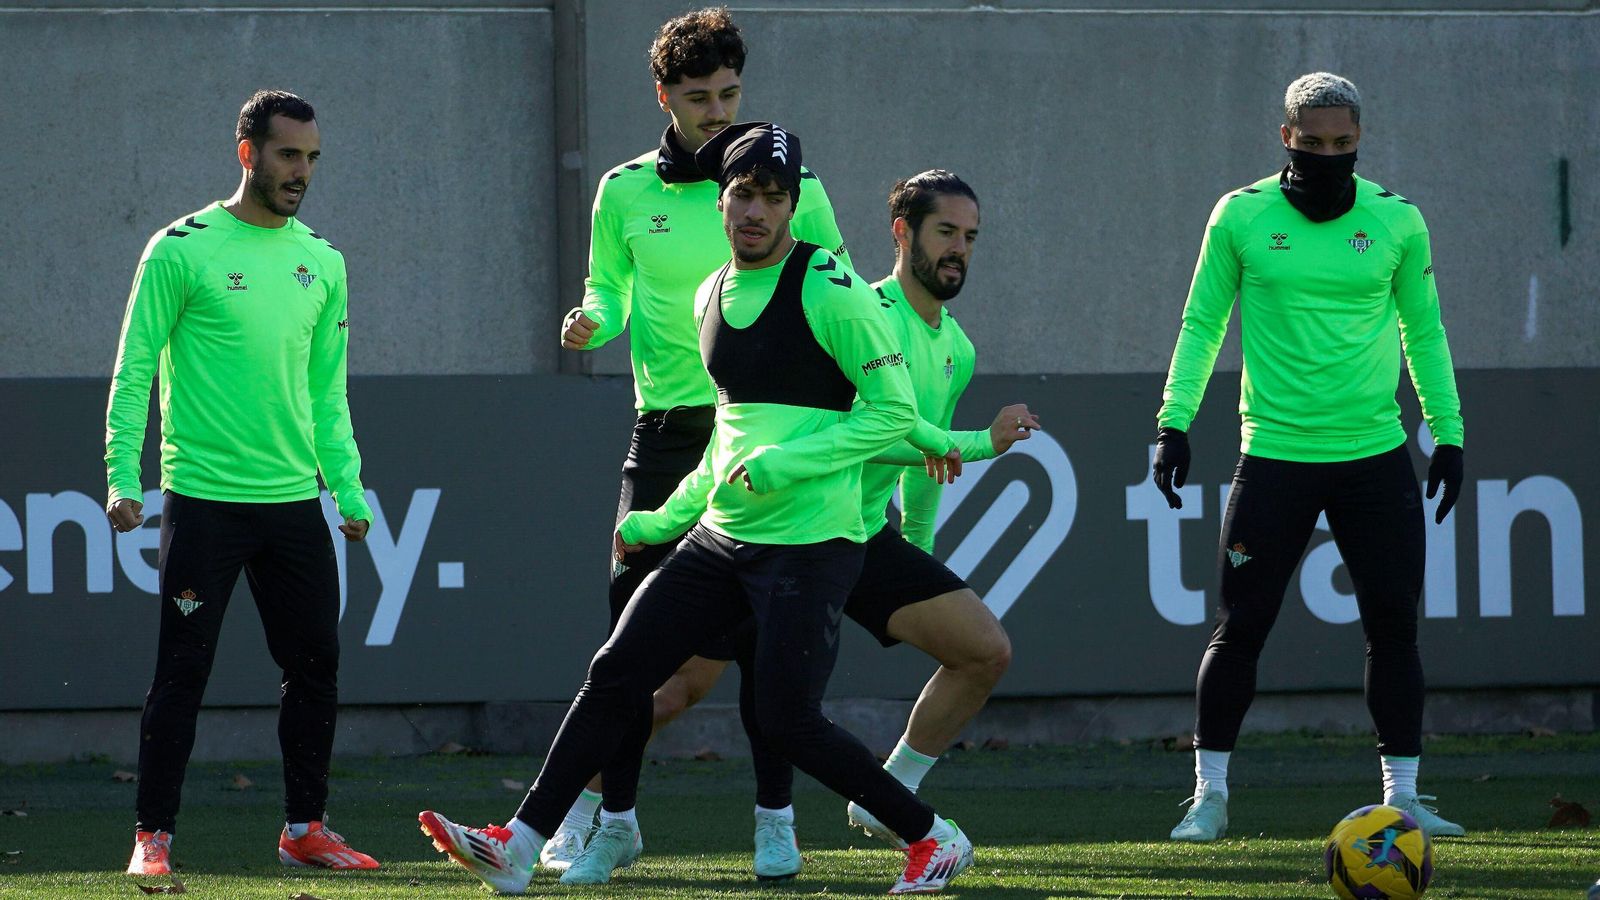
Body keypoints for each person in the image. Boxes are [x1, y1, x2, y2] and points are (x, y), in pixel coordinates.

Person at [419, 122, 974, 896]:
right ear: (721, 199)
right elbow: (725, 441)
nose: (757, 210)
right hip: (722, 537)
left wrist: (784, 465)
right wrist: (658, 523)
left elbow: (891, 414)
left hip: (813, 544)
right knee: (617, 671)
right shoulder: (711, 292)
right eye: (744, 193)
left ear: (794, 206)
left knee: (787, 721)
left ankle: (931, 837)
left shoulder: (832, 289)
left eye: (774, 197)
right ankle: (519, 842)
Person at [621, 170, 1034, 853]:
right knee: (676, 690)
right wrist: (978, 443)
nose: (959, 249)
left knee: (984, 652)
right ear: (902, 233)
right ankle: (583, 813)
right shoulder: (854, 308)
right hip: (788, 525)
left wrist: (920, 550)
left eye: (970, 237)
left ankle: (892, 798)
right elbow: (885, 430)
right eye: (945, 232)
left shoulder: (957, 349)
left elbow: (926, 463)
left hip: (861, 535)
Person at [548, 7, 851, 880]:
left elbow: (839, 291)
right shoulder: (623, 190)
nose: (717, 112)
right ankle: (613, 821)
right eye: (698, 97)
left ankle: (775, 820)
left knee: (765, 645)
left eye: (729, 94)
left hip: (762, 430)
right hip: (666, 430)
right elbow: (607, 289)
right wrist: (591, 320)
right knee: (626, 647)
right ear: (664, 96)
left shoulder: (792, 184)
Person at [1150, 73, 1466, 842]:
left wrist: (1448, 432)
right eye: (1313, 142)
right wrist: (1173, 423)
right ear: (1286, 136)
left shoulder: (1397, 220)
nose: (1329, 155)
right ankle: (1210, 798)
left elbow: (1424, 332)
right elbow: (1201, 324)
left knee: (1394, 627)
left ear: (1360, 139)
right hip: (1275, 455)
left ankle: (1404, 798)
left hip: (1374, 457)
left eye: (1343, 143)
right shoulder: (1240, 214)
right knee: (1240, 627)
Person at [105, 90, 379, 875]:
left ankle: (305, 830)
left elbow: (327, 393)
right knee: (183, 670)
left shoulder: (324, 261)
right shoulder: (178, 250)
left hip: (293, 505)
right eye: (288, 154)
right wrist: (122, 475)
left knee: (316, 666)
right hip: (205, 505)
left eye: (312, 158)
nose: (302, 172)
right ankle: (152, 839)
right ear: (247, 153)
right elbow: (132, 373)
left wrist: (347, 488)